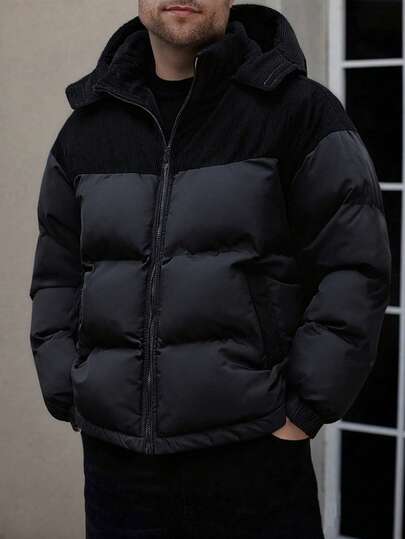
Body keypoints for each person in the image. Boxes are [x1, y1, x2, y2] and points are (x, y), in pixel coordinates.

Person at [28, 1, 392, 538]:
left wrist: (302, 411)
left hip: (253, 463)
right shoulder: (87, 129)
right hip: (117, 472)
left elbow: (355, 266)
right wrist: (68, 387)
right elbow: (58, 272)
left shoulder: (299, 112)